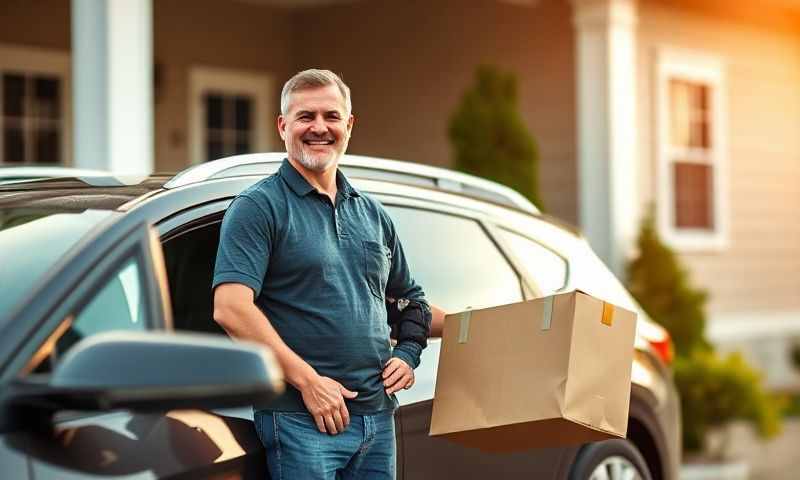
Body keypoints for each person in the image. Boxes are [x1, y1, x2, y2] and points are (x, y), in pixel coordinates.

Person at [212, 69, 431, 480]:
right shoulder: (259, 207)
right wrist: (309, 383)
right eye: (305, 116)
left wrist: (408, 352)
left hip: (378, 419)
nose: (319, 128)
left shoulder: (372, 213)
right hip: (301, 420)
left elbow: (410, 301)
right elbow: (230, 309)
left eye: (331, 116)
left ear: (348, 125)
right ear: (283, 126)